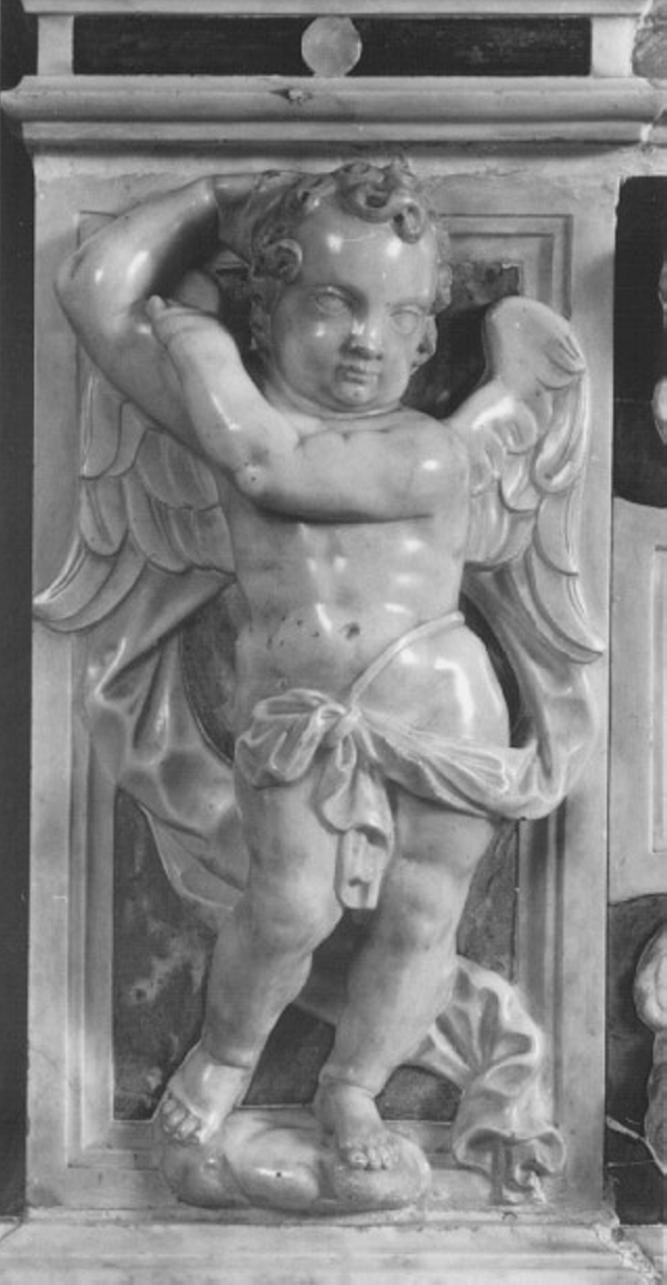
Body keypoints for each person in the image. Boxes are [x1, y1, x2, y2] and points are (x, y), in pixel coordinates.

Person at [54, 163, 578, 1174]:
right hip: (300, 712)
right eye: (333, 303)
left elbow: (269, 465)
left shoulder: (427, 450)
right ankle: (226, 1052)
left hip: (441, 707)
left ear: (426, 341)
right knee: (290, 906)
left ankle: (354, 1086)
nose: (365, 340)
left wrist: (201, 344)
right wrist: (215, 199)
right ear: (270, 311)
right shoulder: (227, 414)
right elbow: (89, 287)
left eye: (400, 316)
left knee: (421, 916)